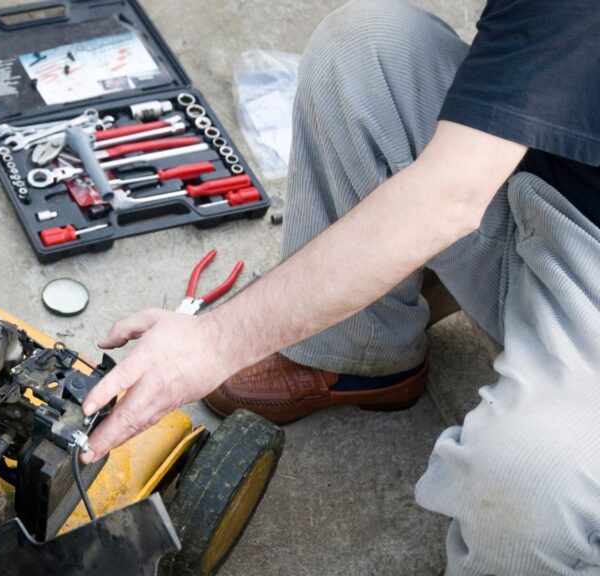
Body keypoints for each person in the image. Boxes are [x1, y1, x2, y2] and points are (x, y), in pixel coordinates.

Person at [79, 0, 600, 574]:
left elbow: (445, 200)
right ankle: (361, 355)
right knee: (367, 46)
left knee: (523, 480)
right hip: (552, 191)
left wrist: (211, 344)